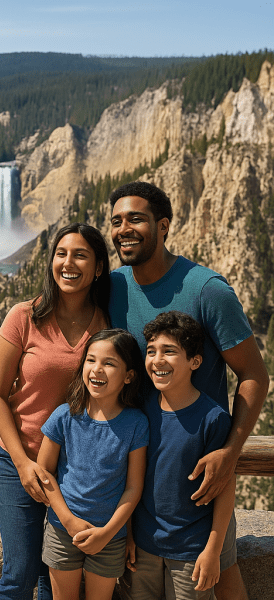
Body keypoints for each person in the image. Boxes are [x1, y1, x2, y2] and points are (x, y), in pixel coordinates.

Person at [108, 180, 269, 600]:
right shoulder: (114, 287)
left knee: (219, 576)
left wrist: (229, 453)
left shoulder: (206, 290)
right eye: (116, 221)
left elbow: (254, 375)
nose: (124, 228)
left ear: (163, 226)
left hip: (198, 471)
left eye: (136, 219)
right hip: (140, 475)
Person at [0, 222, 111, 599]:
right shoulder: (23, 316)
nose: (68, 263)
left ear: (99, 268)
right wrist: (24, 464)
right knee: (20, 572)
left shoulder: (106, 325)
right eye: (61, 253)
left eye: (80, 255)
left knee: (54, 573)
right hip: (17, 459)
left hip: (75, 469)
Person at [122, 311, 236, 600]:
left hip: (191, 552)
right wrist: (130, 535)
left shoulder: (213, 418)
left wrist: (213, 550)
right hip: (144, 546)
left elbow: (224, 488)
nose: (157, 359)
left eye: (169, 351)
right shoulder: (142, 410)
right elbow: (132, 478)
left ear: (194, 361)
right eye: (151, 351)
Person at [36, 329, 149, 600]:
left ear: (129, 376)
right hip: (62, 530)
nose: (97, 369)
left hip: (110, 536)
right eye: (91, 360)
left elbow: (134, 488)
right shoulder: (64, 416)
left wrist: (107, 533)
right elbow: (44, 472)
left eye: (109, 363)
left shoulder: (136, 424)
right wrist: (69, 521)